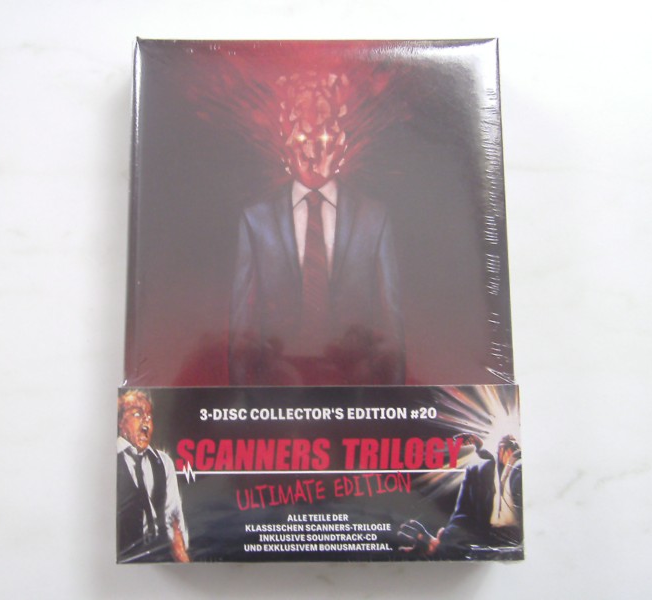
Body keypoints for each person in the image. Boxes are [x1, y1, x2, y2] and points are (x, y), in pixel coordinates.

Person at [229, 71, 405, 386]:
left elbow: (391, 316)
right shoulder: (256, 219)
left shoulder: (374, 217)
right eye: (302, 137)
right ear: (285, 141)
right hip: (278, 383)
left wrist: (394, 394)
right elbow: (241, 321)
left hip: (356, 385)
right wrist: (239, 395)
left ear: (340, 141)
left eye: (321, 135)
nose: (312, 152)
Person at [398, 434, 523, 558]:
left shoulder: (521, 469)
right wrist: (443, 543)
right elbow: (462, 518)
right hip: (485, 547)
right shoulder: (476, 472)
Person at [117, 389, 190, 562]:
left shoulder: (163, 462)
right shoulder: (110, 460)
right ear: (120, 422)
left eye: (149, 417)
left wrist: (183, 559)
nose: (146, 423)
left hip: (162, 558)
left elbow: (174, 518)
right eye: (137, 414)